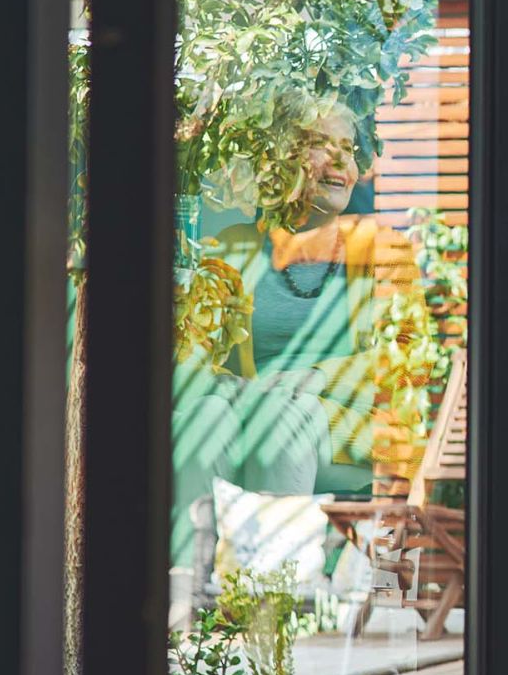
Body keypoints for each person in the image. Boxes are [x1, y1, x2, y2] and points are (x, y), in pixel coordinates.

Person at [170, 101, 427, 566]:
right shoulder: (230, 249)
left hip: (349, 430)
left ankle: (273, 592)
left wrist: (307, 378)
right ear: (277, 160)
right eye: (318, 145)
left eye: (348, 150)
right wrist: (222, 386)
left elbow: (404, 363)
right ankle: (186, 589)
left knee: (279, 418)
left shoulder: (385, 251)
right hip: (250, 411)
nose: (340, 162)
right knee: (201, 419)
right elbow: (194, 355)